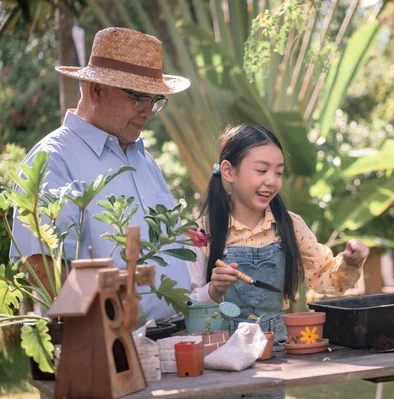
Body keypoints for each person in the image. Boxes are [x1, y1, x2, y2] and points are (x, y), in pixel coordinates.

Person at [10, 27, 191, 321]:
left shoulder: (144, 159)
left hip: (173, 339)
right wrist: (109, 332)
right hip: (108, 351)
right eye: (139, 98)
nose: (148, 111)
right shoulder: (52, 159)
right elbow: (39, 267)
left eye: (155, 101)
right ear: (96, 90)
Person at [187, 124, 369, 355]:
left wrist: (351, 262)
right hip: (220, 354)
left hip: (276, 353)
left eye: (279, 172)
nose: (272, 181)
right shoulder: (202, 233)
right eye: (262, 171)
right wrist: (214, 291)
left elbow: (325, 277)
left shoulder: (290, 226)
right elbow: (187, 307)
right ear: (228, 171)